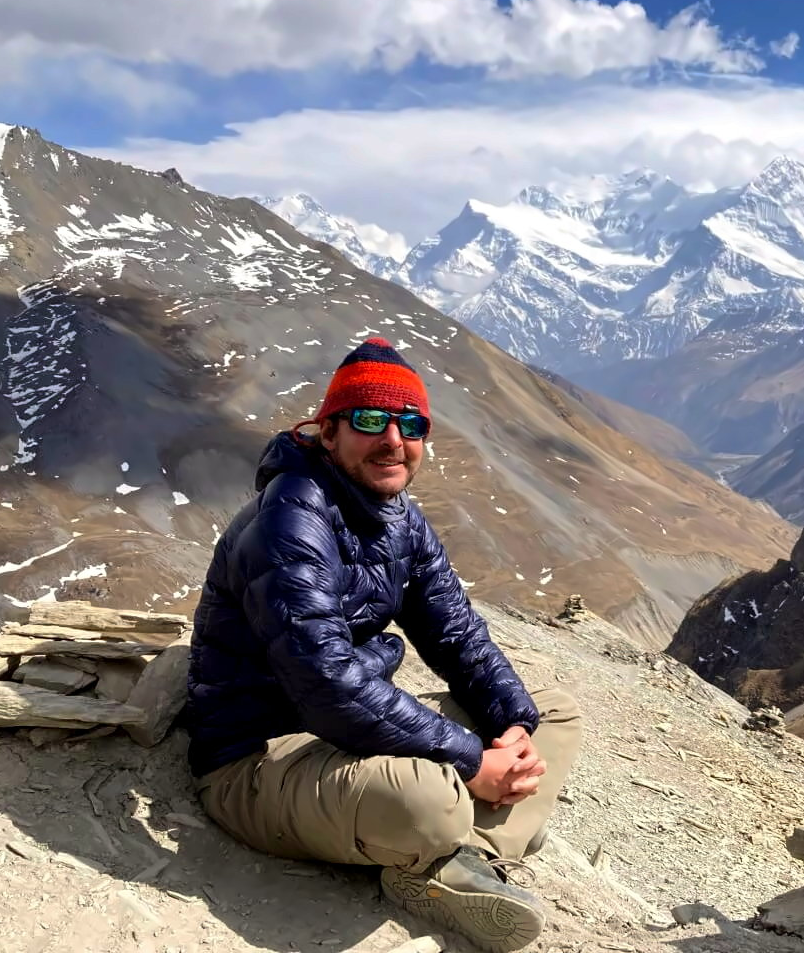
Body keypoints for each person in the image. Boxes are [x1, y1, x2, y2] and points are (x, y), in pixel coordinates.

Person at [185, 336, 582, 953]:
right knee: (430, 800)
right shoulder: (290, 521)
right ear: (328, 431)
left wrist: (510, 725)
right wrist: (474, 763)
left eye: (410, 424)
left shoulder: (400, 517)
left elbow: (457, 636)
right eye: (370, 421)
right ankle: (460, 847)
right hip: (259, 757)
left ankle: (455, 862)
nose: (393, 440)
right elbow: (326, 685)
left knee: (551, 713)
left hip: (346, 735)